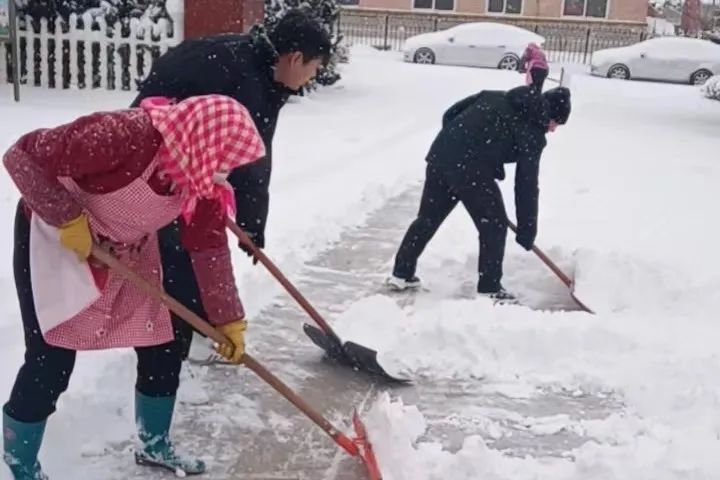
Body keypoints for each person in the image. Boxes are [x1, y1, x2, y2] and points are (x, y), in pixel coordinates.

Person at [1, 94, 266, 479]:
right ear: (201, 140)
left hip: (126, 246)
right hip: (57, 239)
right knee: (51, 359)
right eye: (222, 160)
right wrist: (67, 217)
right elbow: (21, 156)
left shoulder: (196, 176)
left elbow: (209, 248)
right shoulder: (124, 135)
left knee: (162, 342)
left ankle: (153, 443)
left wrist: (229, 319)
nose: (222, 172)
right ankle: (20, 463)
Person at [129, 9, 332, 361]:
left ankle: (193, 332)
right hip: (158, 159)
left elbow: (252, 150)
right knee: (185, 251)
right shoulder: (249, 80)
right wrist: (252, 225)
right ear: (295, 58)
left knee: (192, 247)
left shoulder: (256, 61)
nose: (312, 78)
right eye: (314, 68)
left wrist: (252, 224)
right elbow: (251, 161)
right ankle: (177, 348)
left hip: (172, 152)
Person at [386, 86, 572, 301]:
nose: (553, 129)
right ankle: (489, 288)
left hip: (441, 155)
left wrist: (459, 145)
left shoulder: (494, 96)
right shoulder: (533, 134)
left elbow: (451, 113)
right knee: (494, 225)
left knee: (428, 218)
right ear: (549, 115)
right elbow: (526, 185)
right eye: (556, 123)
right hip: (470, 168)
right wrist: (527, 230)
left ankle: (402, 273)